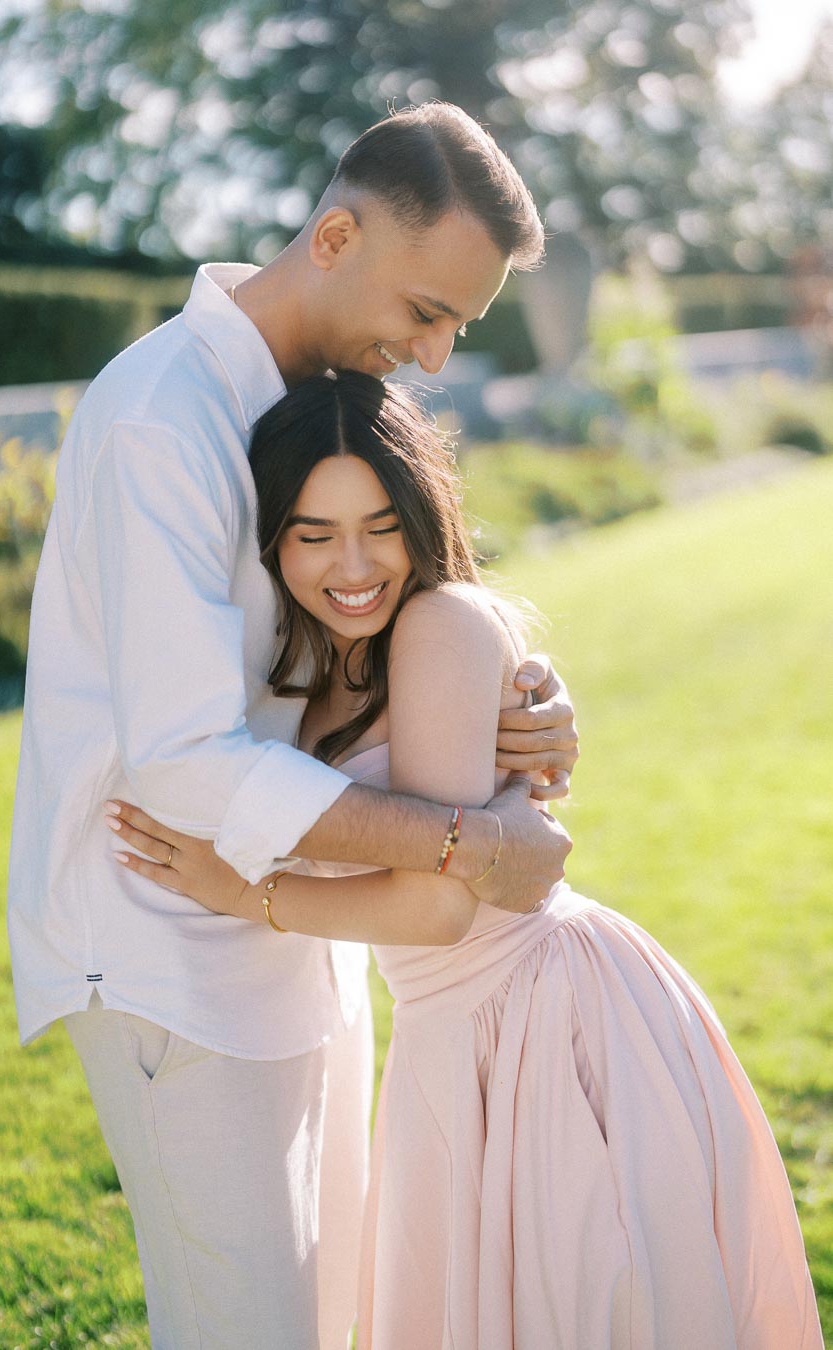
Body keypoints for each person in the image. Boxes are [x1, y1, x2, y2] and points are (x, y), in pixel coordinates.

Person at [7, 103, 580, 1350]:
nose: (433, 357)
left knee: (334, 1318)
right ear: (334, 236)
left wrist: (524, 702)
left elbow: (401, 616)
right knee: (246, 1326)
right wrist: (457, 845)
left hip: (308, 924)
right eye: (425, 313)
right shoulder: (165, 415)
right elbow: (181, 754)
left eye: (458, 329)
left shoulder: (314, 400)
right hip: (169, 939)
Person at [107, 371, 823, 1350]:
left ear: (422, 514)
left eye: (380, 525)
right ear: (271, 540)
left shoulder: (439, 624)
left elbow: (439, 908)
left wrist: (250, 894)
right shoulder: (312, 667)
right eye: (314, 533)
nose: (352, 564)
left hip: (546, 1020)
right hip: (452, 1035)